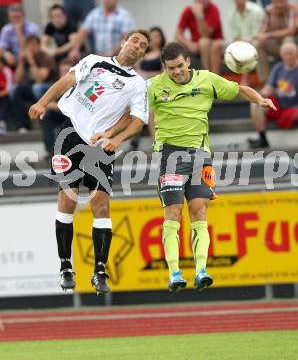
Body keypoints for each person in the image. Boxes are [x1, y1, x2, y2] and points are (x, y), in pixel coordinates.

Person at [28, 29, 150, 295]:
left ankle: (100, 271)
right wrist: (42, 101)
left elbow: (137, 120)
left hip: (99, 145)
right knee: (67, 199)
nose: (138, 46)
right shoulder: (94, 60)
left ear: (143, 54)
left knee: (101, 205)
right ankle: (65, 265)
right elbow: (67, 80)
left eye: (143, 46)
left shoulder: (139, 84)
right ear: (123, 42)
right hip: (69, 134)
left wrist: (116, 139)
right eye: (135, 41)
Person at [147, 42, 276, 292]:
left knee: (199, 211)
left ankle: (201, 271)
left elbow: (239, 89)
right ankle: (174, 272)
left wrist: (260, 99)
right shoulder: (153, 86)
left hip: (200, 156)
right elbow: (133, 111)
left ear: (188, 62)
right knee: (173, 213)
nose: (176, 72)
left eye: (180, 66)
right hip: (169, 156)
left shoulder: (206, 80)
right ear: (165, 67)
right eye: (171, 68)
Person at [249, 43, 298, 148]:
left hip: (294, 107)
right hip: (279, 105)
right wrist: (259, 95)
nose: (289, 56)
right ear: (281, 55)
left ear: (296, 54)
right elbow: (268, 89)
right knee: (256, 102)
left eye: (291, 53)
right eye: (286, 54)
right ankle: (262, 139)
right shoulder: (278, 68)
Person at [69, 0, 135, 61]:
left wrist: (112, 52)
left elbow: (126, 39)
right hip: (99, 55)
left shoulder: (124, 15)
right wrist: (75, 49)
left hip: (118, 56)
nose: (107, 0)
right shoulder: (94, 13)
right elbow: (83, 32)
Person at [11, 35, 56, 133]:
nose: (31, 48)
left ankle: (42, 119)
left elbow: (40, 79)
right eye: (29, 46)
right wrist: (21, 62)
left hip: (48, 88)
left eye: (34, 45)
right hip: (32, 87)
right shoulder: (24, 58)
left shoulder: (45, 57)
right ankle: (22, 125)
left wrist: (31, 61)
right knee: (15, 89)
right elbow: (17, 80)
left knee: (37, 87)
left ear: (39, 46)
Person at [176, 0, 223, 74]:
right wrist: (189, 43)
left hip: (213, 42)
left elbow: (206, 34)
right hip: (196, 44)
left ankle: (211, 75)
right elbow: (178, 34)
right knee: (174, 43)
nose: (201, 0)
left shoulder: (214, 9)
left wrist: (199, 16)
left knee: (204, 42)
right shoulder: (188, 10)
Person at [255, 0, 297, 83]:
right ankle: (266, 81)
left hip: (292, 43)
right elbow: (263, 30)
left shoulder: (293, 8)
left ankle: (289, 78)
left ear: (286, 0)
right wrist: (261, 36)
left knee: (288, 42)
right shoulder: (269, 10)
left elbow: (291, 30)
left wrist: (269, 34)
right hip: (275, 44)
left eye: (281, 1)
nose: (278, 4)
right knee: (258, 45)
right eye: (275, 2)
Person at [229, 0, 264, 85]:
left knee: (252, 46)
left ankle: (245, 79)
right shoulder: (231, 14)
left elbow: (257, 34)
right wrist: (239, 41)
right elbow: (235, 35)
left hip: (255, 40)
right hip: (241, 42)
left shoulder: (256, 11)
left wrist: (243, 41)